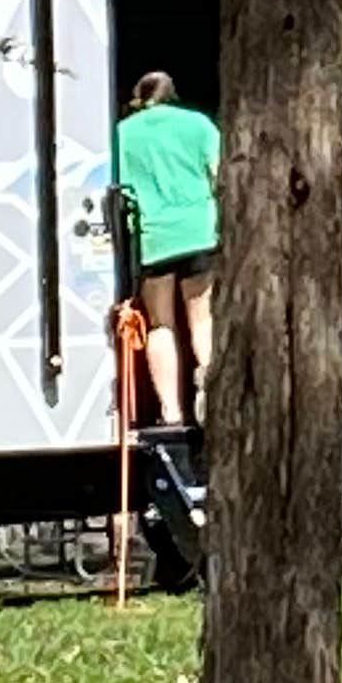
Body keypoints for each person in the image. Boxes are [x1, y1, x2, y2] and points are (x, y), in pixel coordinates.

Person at [112, 70, 220, 427]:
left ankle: (171, 411)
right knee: (202, 318)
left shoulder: (122, 134)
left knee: (160, 325)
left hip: (153, 238)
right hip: (199, 231)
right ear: (172, 94)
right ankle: (209, 389)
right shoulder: (198, 124)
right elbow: (219, 174)